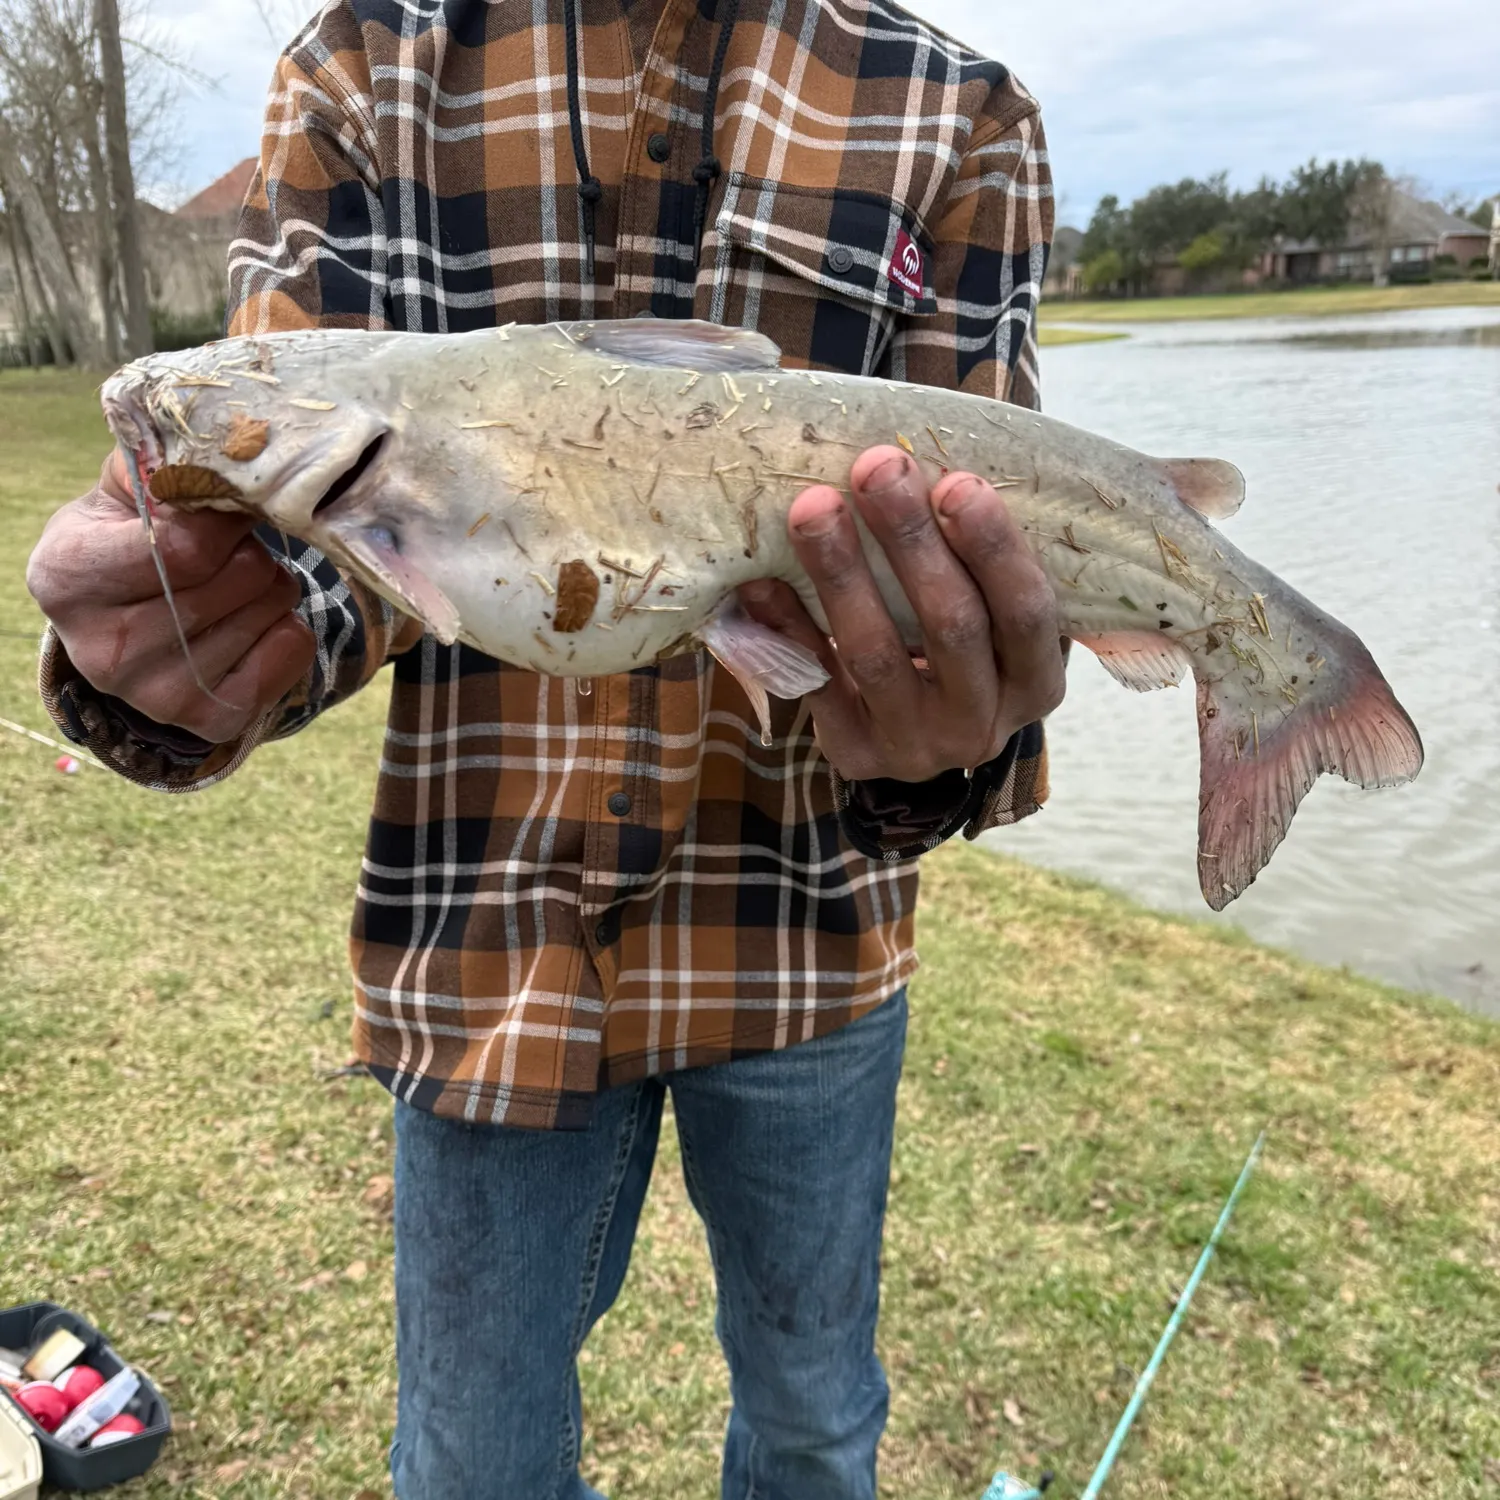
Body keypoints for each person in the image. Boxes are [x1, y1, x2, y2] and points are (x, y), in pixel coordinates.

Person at [25, 0, 1065, 1494]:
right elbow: (320, 552)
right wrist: (176, 660)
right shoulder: (360, 68)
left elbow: (996, 553)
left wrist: (955, 743)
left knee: (817, 1426)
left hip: (812, 938)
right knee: (469, 1467)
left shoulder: (955, 109)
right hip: (480, 939)